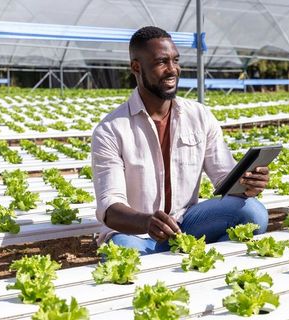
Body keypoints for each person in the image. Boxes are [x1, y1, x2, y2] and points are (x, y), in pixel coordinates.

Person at [91, 26, 269, 255]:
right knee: (121, 250)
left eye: (175, 60)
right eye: (161, 62)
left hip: (186, 224)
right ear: (136, 67)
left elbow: (225, 178)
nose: (172, 69)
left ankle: (198, 262)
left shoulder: (199, 116)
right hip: (136, 233)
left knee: (254, 213)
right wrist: (147, 222)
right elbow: (110, 208)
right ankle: (180, 258)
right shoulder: (110, 130)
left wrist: (249, 184)